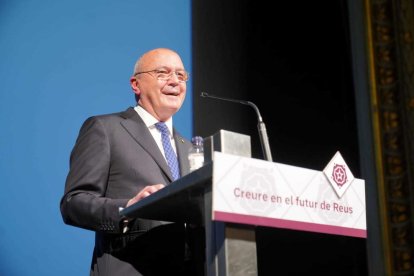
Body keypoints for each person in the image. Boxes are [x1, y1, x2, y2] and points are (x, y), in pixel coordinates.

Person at [60, 48, 200, 275]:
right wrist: (127, 208)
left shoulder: (191, 148)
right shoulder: (106, 129)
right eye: (163, 73)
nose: (175, 81)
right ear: (136, 84)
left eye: (181, 75)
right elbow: (73, 203)